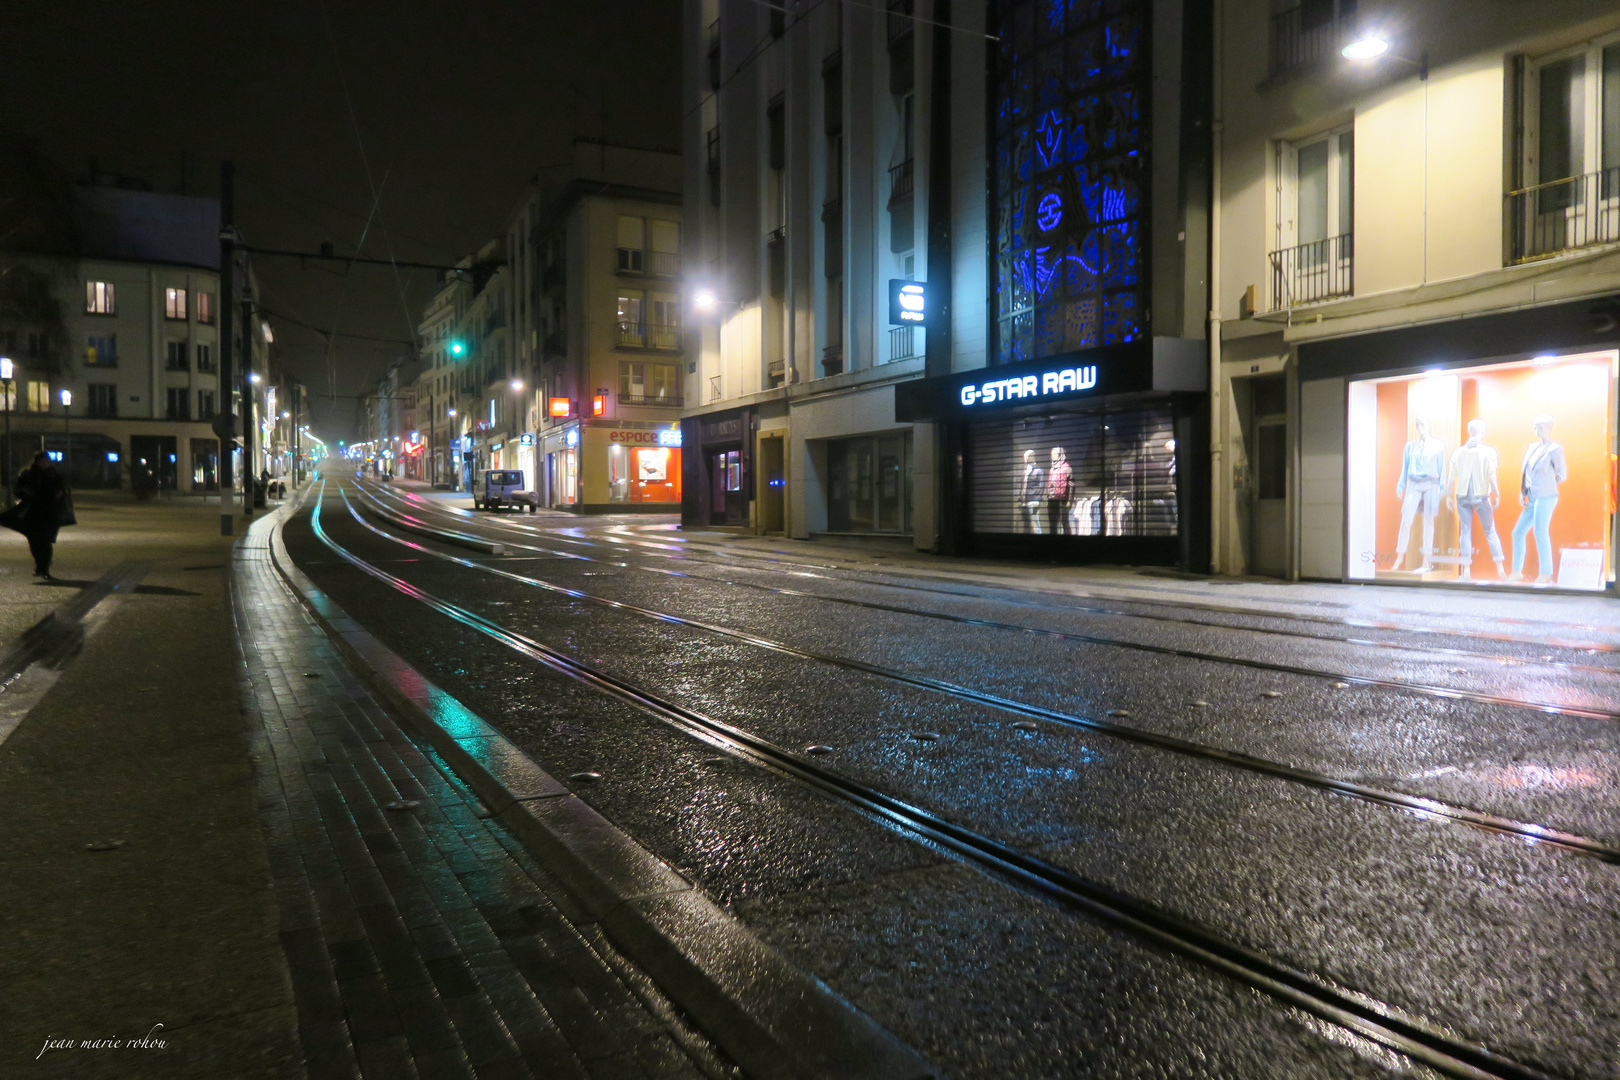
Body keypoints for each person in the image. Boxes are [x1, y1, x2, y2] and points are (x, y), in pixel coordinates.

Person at [1509, 414, 1568, 584]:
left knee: (1540, 531)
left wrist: (1548, 484)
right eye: (1535, 427)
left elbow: (1561, 474)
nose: (1537, 430)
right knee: (1518, 532)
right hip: (1531, 495)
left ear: (1549, 427)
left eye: (1540, 427)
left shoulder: (1554, 448)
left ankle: (1546, 572)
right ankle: (1516, 571)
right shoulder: (1532, 447)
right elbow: (1525, 472)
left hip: (1546, 495)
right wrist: (1523, 492)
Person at [1446, 418, 1506, 581]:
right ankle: (1500, 568)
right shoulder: (1489, 452)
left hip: (1462, 495)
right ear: (1482, 432)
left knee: (1465, 531)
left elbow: (1451, 476)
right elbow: (1491, 475)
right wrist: (1497, 494)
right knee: (1490, 531)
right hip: (1481, 495)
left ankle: (1465, 570)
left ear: (1469, 431)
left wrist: (1448, 496)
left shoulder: (1458, 452)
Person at [1390, 417, 1445, 572]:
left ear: (1428, 425)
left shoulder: (1438, 446)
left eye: (1423, 425)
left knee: (1428, 523)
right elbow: (1405, 467)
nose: (1420, 429)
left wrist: (1441, 489)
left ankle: (1427, 559)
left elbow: (1442, 470)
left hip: (1431, 483)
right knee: (1406, 519)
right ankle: (1400, 556)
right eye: (1418, 426)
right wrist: (1401, 485)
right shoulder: (1410, 446)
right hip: (1413, 483)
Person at [15, 452, 69, 580]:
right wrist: (27, 494)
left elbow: (62, 491)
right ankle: (39, 566)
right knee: (34, 541)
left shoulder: (54, 475)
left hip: (50, 513)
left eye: (47, 461)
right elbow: (18, 490)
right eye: (42, 461)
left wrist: (59, 496)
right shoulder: (28, 475)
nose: (44, 464)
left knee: (46, 541)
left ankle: (44, 568)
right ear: (37, 462)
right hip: (33, 512)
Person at [1018, 449, 1046, 534]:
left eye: (1027, 457)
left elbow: (1041, 486)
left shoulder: (1039, 470)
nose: (1025, 459)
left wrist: (1037, 499)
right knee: (1027, 524)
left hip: (1033, 500)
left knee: (1035, 523)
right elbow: (1022, 485)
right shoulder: (1025, 470)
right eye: (1024, 457)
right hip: (1025, 500)